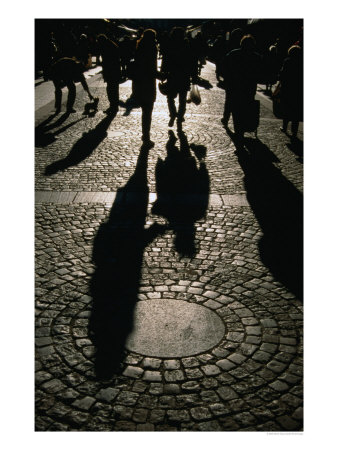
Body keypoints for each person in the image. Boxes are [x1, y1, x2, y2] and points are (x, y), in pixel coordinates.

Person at [222, 34, 262, 138]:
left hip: (233, 85)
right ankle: (242, 128)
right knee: (245, 107)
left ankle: (237, 128)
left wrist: (227, 79)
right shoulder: (256, 57)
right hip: (249, 87)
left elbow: (224, 67)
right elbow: (260, 73)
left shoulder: (233, 54)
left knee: (234, 106)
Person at [161, 27, 198, 128]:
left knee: (170, 97)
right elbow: (193, 63)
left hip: (172, 76)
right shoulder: (187, 46)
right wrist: (194, 76)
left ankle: (173, 114)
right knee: (182, 99)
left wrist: (163, 74)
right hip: (184, 76)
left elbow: (165, 61)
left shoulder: (170, 46)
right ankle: (180, 116)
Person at [132, 29, 161, 148]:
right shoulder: (152, 49)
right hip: (148, 84)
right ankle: (146, 137)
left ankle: (145, 135)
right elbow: (151, 69)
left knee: (145, 111)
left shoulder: (139, 47)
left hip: (139, 83)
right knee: (148, 111)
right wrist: (160, 75)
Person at [278, 45, 303, 139]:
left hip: (287, 88)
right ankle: (294, 132)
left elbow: (282, 75)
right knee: (296, 112)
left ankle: (284, 127)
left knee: (287, 109)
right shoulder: (302, 63)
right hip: (298, 90)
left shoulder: (287, 61)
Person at [97, 34, 121, 115]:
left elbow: (107, 61)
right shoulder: (111, 44)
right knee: (114, 89)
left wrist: (104, 67)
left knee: (111, 89)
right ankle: (114, 106)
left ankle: (113, 106)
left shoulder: (106, 47)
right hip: (115, 71)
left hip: (111, 71)